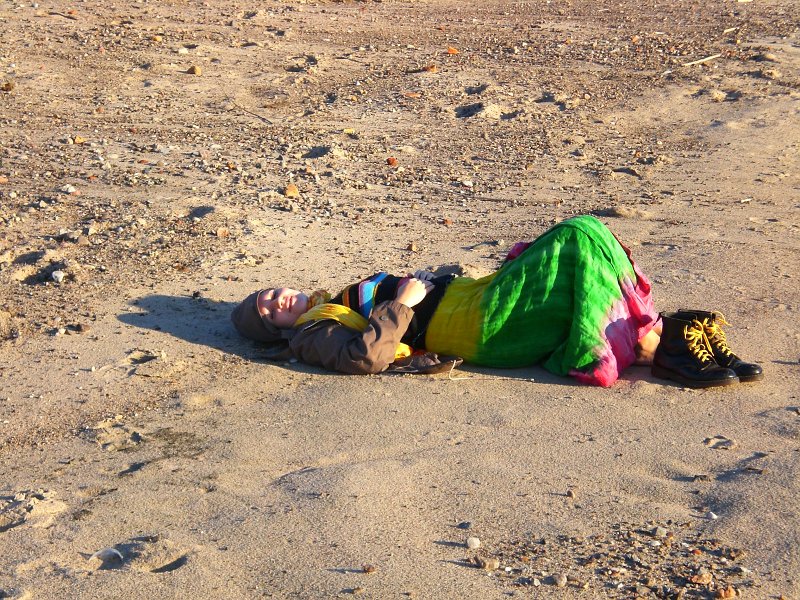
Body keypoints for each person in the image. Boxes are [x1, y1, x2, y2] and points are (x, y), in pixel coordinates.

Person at [231, 215, 762, 388]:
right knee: (579, 235)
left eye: (268, 292)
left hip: (473, 297)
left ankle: (672, 342)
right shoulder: (309, 335)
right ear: (276, 330)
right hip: (471, 324)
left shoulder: (331, 301)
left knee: (578, 274)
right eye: (266, 310)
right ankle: (664, 342)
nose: (274, 299)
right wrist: (406, 301)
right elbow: (363, 357)